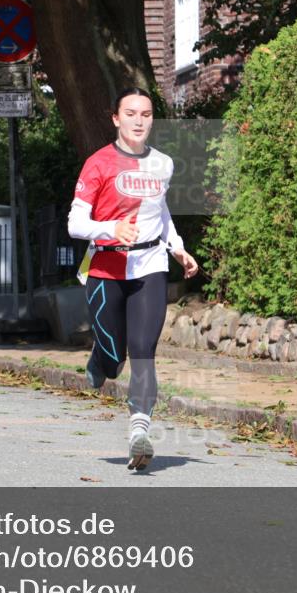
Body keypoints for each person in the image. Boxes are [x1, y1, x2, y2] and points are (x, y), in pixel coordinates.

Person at [68, 87, 199, 471]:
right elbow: (75, 223)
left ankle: (139, 431)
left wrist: (177, 247)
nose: (139, 121)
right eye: (131, 113)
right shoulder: (98, 163)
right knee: (113, 361)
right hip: (106, 266)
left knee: (144, 349)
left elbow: (162, 212)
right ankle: (102, 355)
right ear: (115, 118)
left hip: (149, 264)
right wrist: (110, 229)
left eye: (146, 114)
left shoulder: (163, 164)